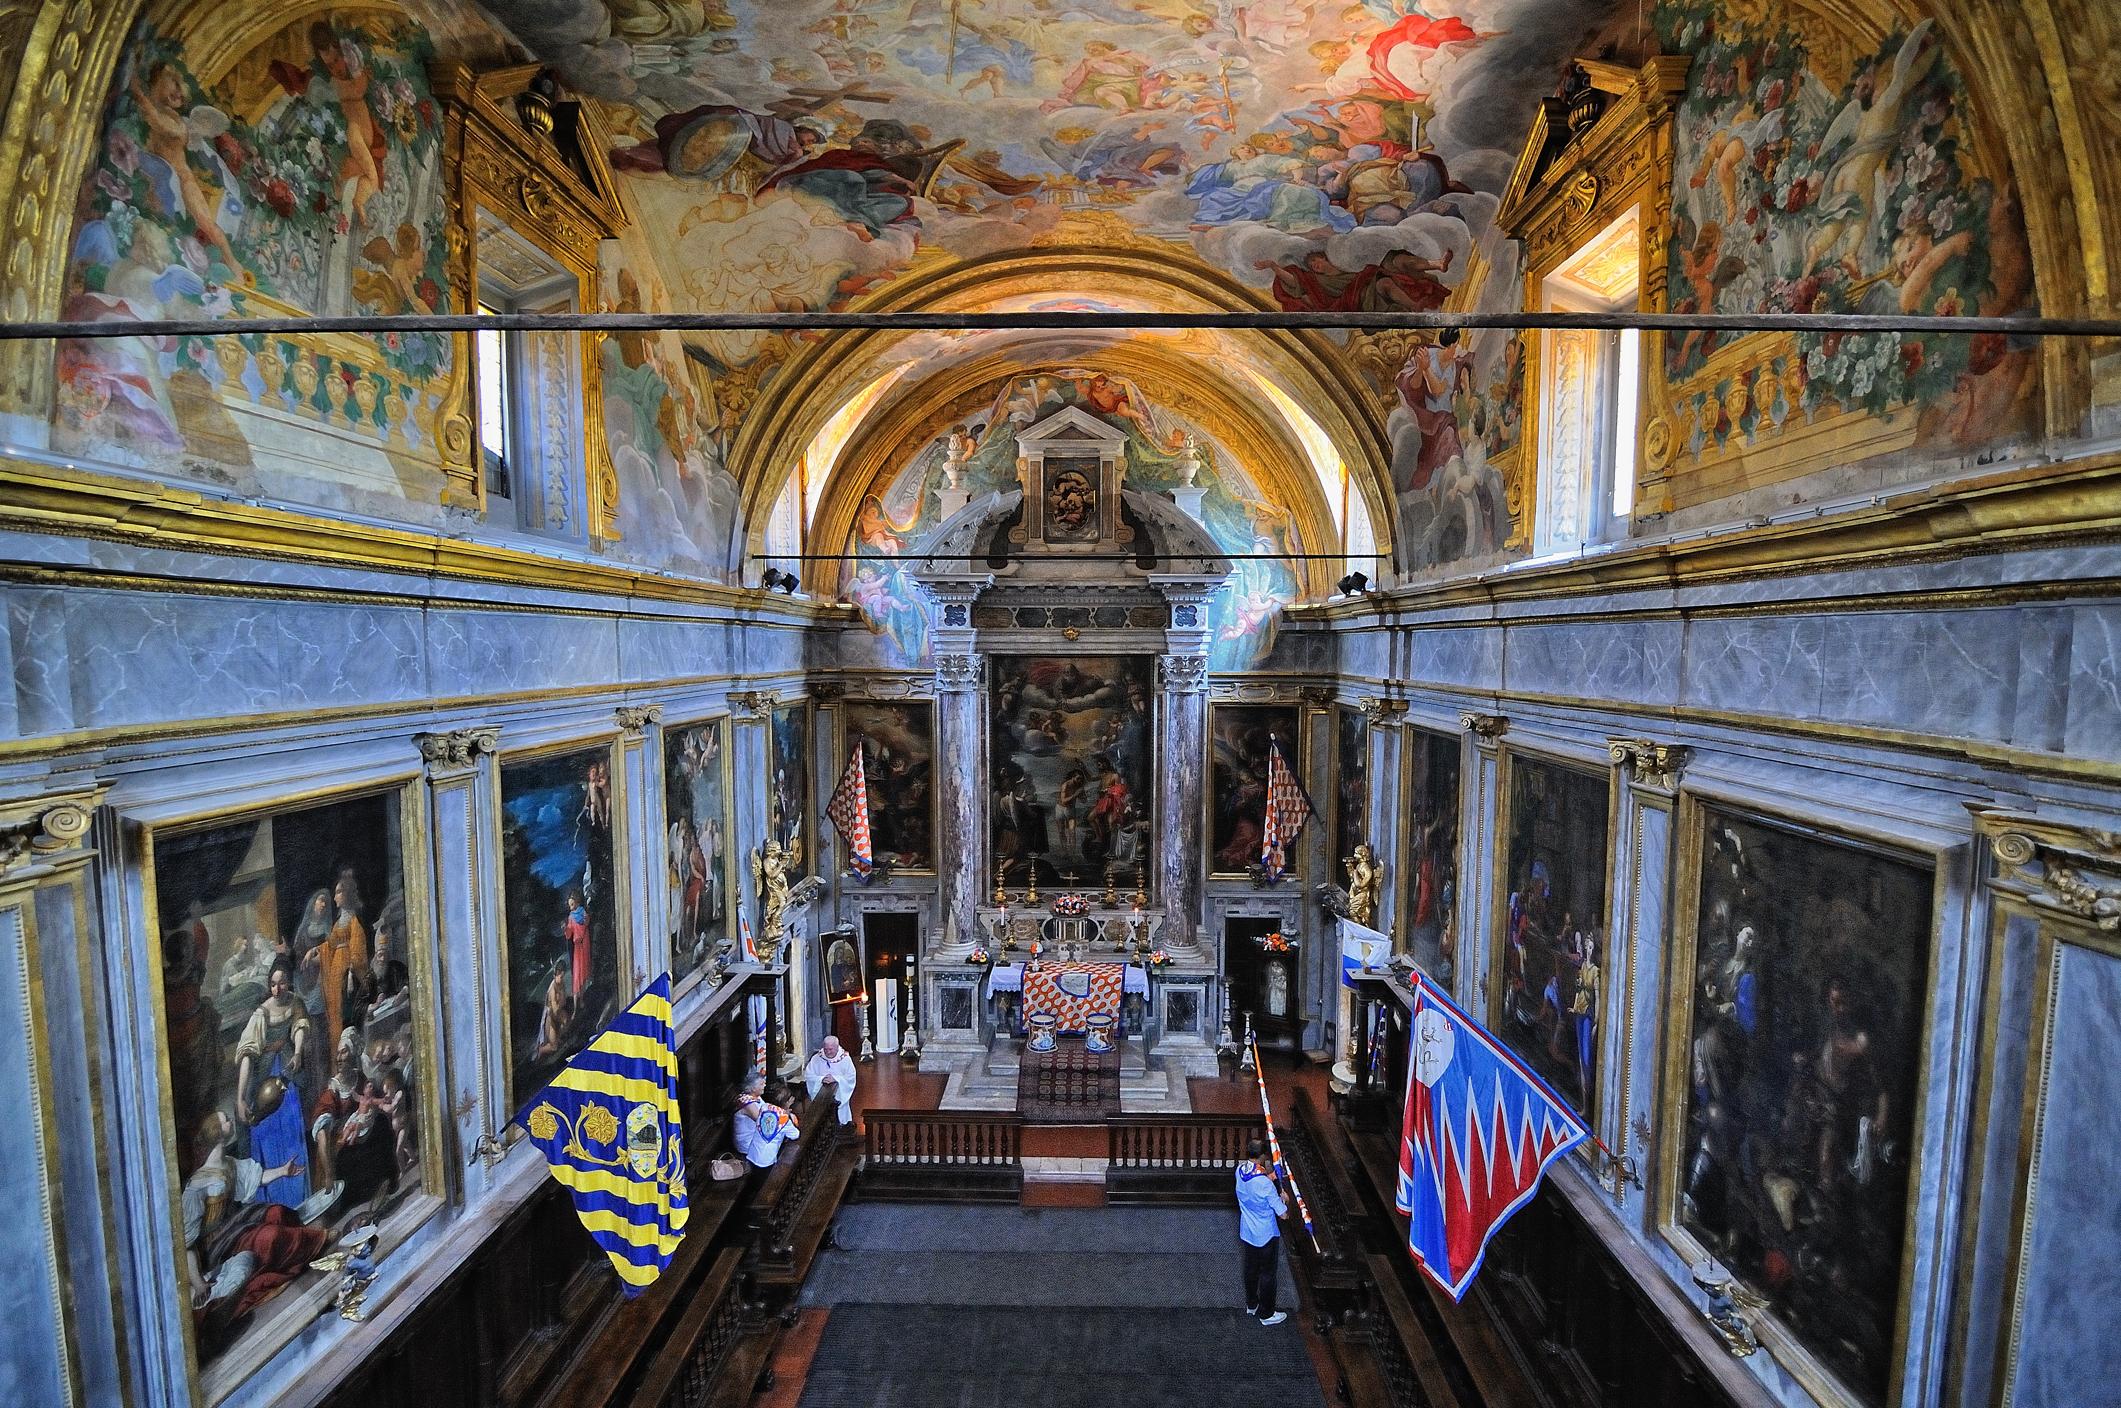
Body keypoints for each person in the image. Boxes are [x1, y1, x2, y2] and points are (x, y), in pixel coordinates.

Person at [1236, 1137, 1289, 1326]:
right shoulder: (1265, 1185)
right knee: (1267, 1273)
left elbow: (1257, 1182)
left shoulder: (1240, 1171)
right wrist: (1283, 1199)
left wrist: (1273, 1176)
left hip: (1248, 1231)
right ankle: (1267, 1313)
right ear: (1263, 1156)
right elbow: (1283, 1215)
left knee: (1250, 1269)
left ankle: (1252, 1303)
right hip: (1265, 1234)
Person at [733, 1072, 801, 1168]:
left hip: (756, 1134)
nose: (764, 1085)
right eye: (761, 1084)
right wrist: (784, 1112)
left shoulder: (755, 1097)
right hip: (748, 1142)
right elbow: (763, 1121)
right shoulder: (748, 1104)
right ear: (753, 1088)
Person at [803, 1035, 858, 1125]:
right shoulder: (817, 1058)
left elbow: (851, 1077)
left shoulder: (845, 1059)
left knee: (840, 1116)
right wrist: (821, 1079)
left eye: (831, 1049)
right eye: (826, 1049)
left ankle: (842, 1127)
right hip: (822, 1096)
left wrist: (836, 1079)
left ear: (837, 1047)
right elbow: (809, 1075)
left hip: (839, 1095)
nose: (828, 1052)